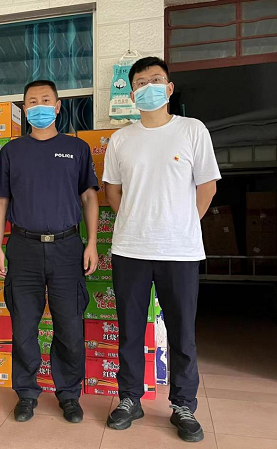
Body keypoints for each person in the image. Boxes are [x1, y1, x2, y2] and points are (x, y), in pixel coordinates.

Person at [103, 57, 220, 443]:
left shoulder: (192, 130)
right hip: (130, 250)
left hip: (180, 252)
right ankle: (129, 399)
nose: (148, 86)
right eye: (140, 82)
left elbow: (207, 187)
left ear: (169, 88)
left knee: (183, 333)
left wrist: (180, 224)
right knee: (130, 330)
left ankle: (183, 405)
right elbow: (112, 191)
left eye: (156, 80)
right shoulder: (121, 139)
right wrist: (136, 220)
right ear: (131, 94)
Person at [0, 80, 99, 424]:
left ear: (57, 106)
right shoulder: (12, 151)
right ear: (24, 109)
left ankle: (69, 394)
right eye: (32, 102)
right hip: (23, 248)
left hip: (68, 247)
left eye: (46, 100)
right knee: (24, 326)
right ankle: (26, 393)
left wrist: (92, 242)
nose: (39, 106)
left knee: (69, 326)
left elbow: (89, 197)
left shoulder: (76, 148)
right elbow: (0, 200)